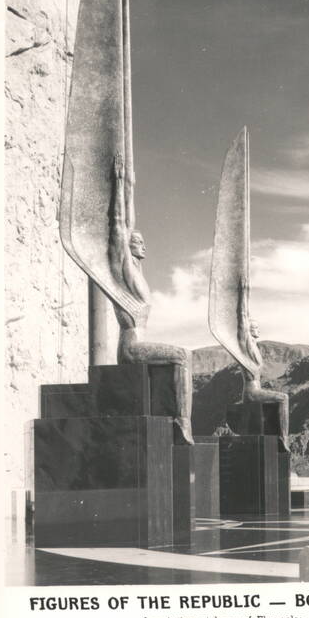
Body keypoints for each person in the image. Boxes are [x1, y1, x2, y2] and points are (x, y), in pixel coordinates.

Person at [109, 153, 193, 444]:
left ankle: (177, 421)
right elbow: (119, 224)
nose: (143, 244)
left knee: (182, 356)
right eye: (138, 241)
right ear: (128, 247)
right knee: (183, 355)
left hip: (138, 342)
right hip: (131, 346)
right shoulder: (124, 269)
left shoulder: (140, 278)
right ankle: (181, 423)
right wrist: (120, 183)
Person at [236, 277, 289, 451]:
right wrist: (243, 292)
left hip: (256, 388)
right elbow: (242, 316)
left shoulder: (255, 348)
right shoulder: (246, 344)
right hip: (251, 391)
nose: (258, 329)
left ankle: (280, 437)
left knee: (281, 399)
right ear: (249, 329)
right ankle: (283, 438)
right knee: (283, 398)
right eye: (255, 327)